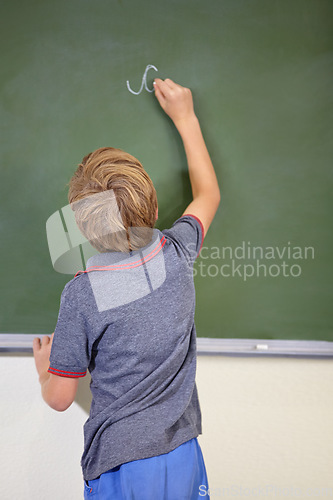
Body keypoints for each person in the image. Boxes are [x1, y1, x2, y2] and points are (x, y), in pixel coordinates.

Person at [33, 78, 220, 499]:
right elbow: (208, 193)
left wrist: (47, 370)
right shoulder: (178, 251)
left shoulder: (82, 295)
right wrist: (186, 118)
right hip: (184, 452)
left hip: (122, 465)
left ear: (83, 229)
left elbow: (61, 398)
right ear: (153, 208)